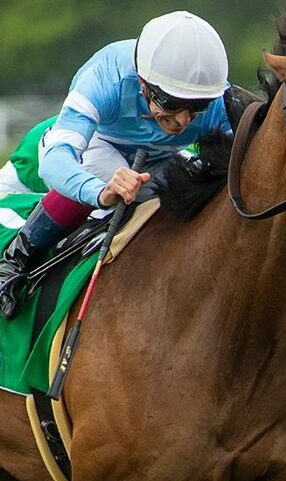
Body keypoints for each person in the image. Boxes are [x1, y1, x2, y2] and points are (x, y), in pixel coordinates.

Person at [0, 10, 233, 319]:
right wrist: (99, 192)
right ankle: (15, 260)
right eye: (171, 103)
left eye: (197, 108)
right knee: (111, 175)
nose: (182, 120)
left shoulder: (219, 98)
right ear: (143, 83)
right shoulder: (106, 75)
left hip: (156, 158)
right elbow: (55, 161)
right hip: (88, 146)